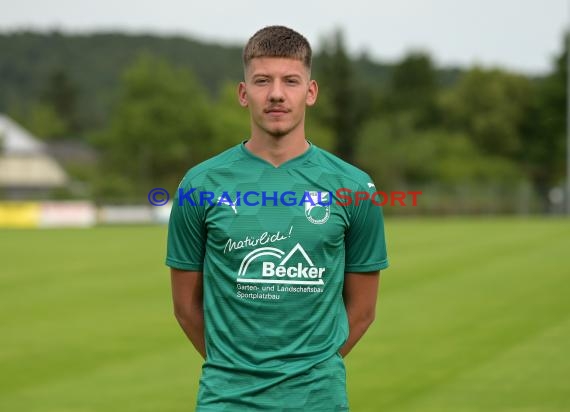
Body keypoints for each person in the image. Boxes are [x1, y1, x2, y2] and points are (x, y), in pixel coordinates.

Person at [166, 25, 389, 411]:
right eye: (262, 80)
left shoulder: (353, 187)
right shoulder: (200, 184)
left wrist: (310, 370)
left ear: (311, 91)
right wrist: (234, 368)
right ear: (243, 92)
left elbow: (364, 311)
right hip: (226, 399)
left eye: (290, 81)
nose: (276, 94)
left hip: (318, 399)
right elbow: (186, 308)